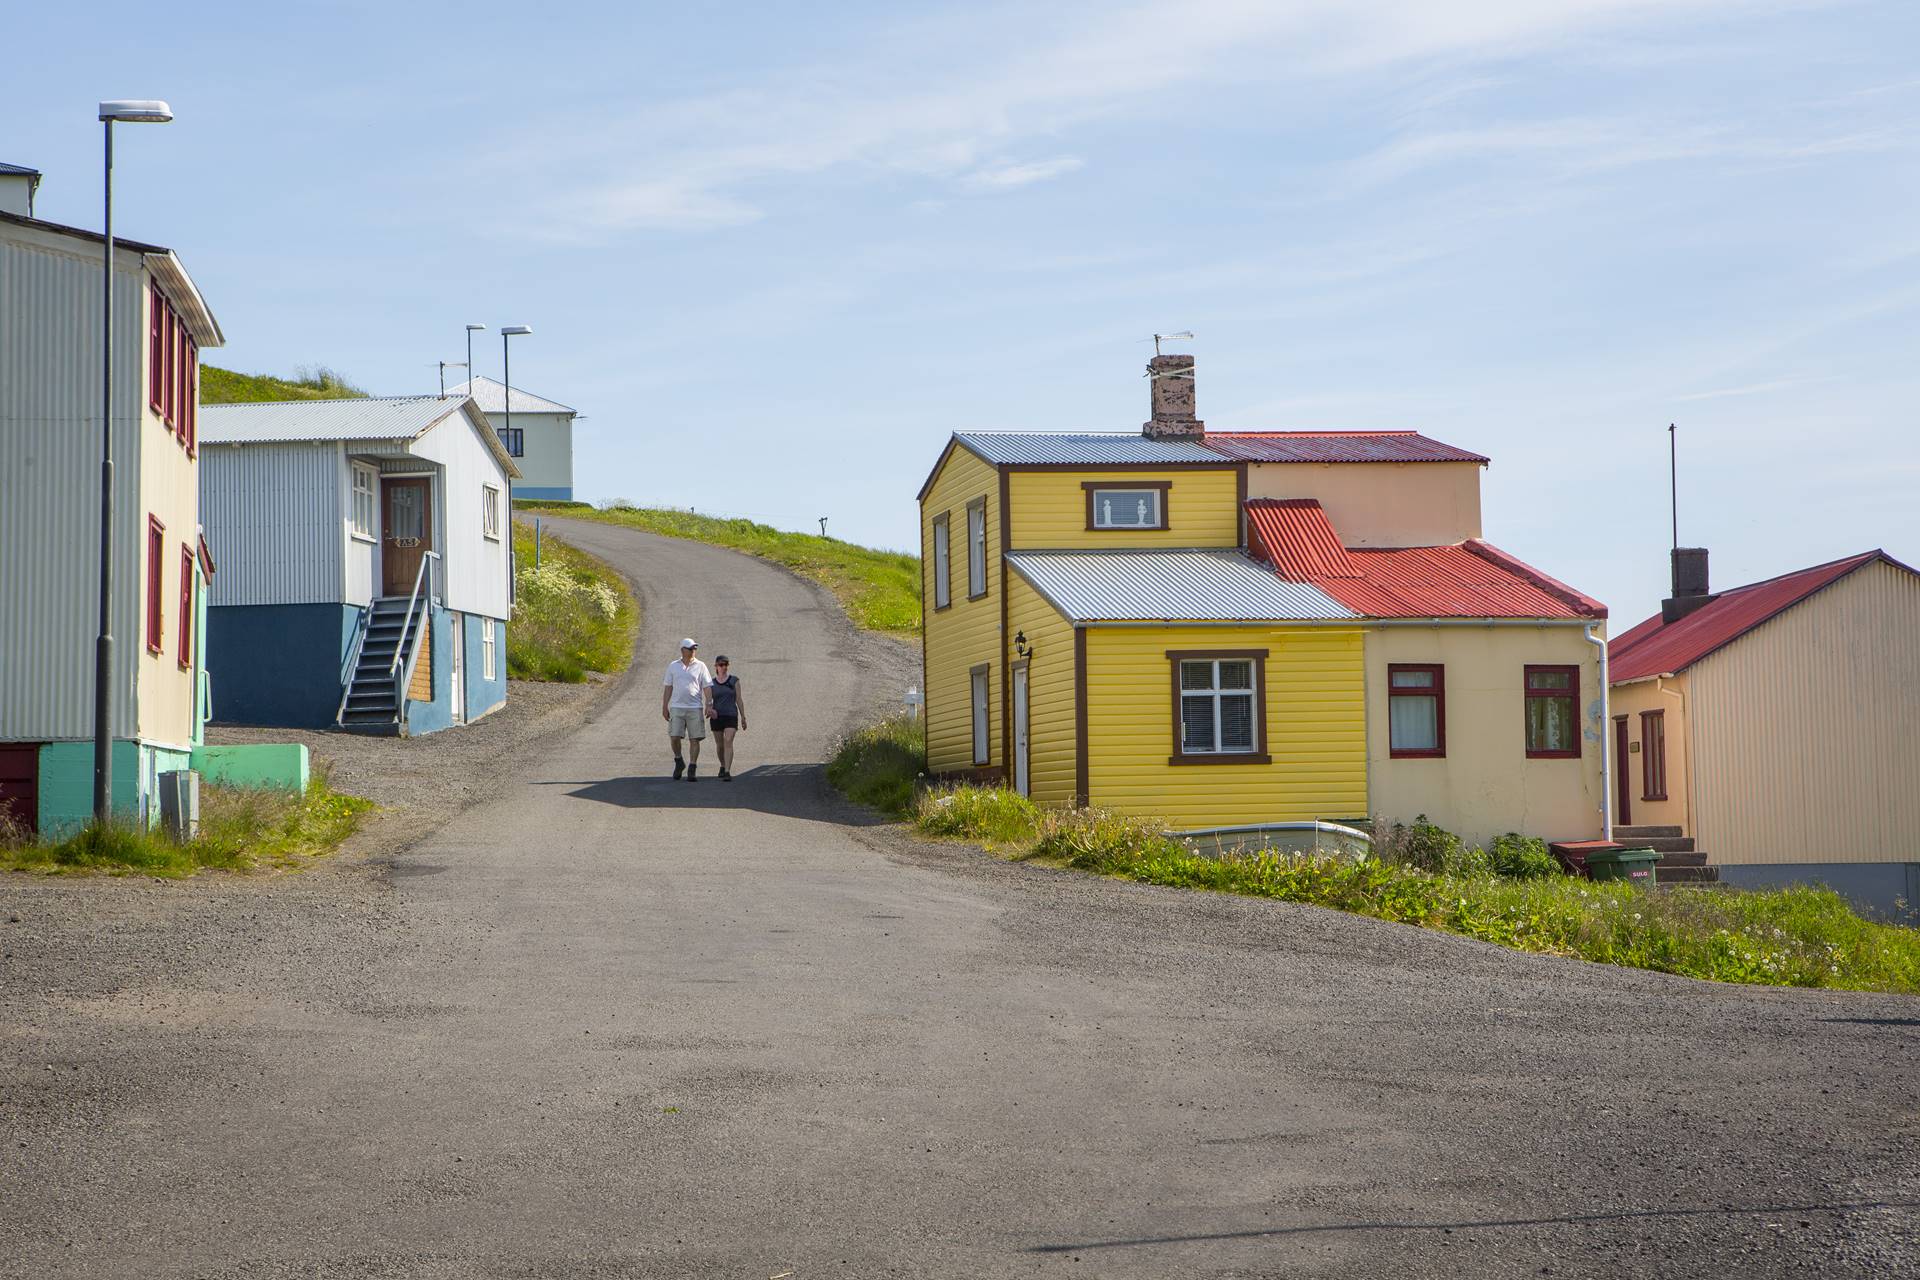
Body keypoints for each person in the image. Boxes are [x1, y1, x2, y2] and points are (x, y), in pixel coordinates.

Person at [661, 638, 712, 780]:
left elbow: (707, 686)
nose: (693, 651)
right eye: (690, 649)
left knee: (694, 739)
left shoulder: (701, 666)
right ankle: (679, 760)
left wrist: (709, 703)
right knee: (674, 736)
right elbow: (668, 687)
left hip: (695, 707)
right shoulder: (673, 666)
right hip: (677, 707)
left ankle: (692, 767)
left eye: (694, 649)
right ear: (683, 650)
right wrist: (665, 706)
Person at [706, 655, 748, 781]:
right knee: (720, 745)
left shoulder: (734, 680)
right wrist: (709, 709)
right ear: (716, 666)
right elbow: (708, 700)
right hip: (717, 716)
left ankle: (727, 771)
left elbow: (739, 699)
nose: (724, 667)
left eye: (726, 665)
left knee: (728, 740)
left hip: (731, 715)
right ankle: (723, 765)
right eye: (721, 665)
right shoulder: (711, 683)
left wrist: (743, 717)